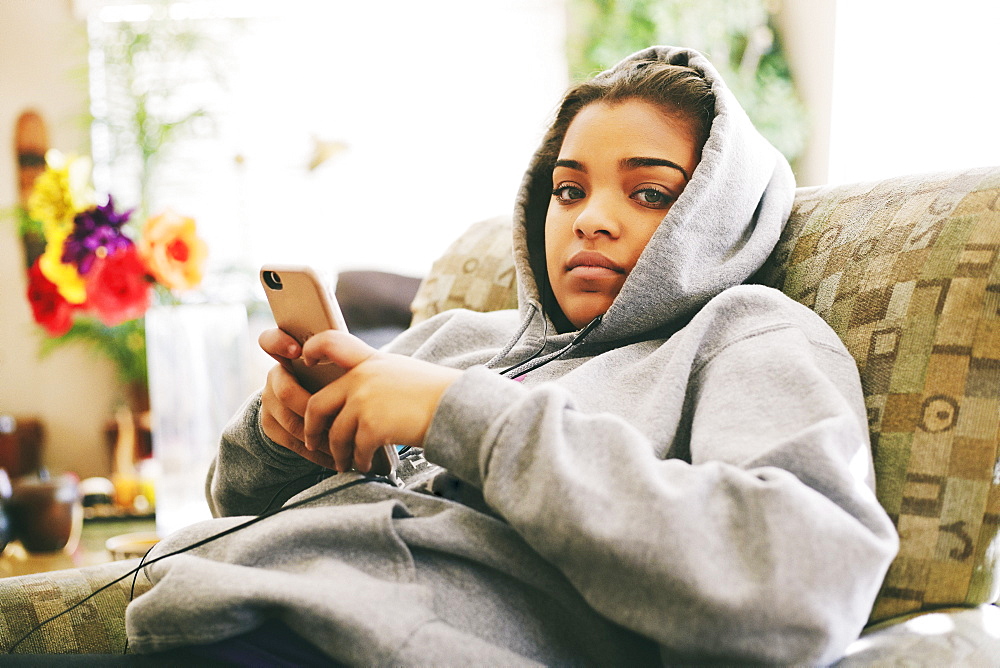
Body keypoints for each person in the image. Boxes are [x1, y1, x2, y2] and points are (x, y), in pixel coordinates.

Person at [126, 46, 899, 665]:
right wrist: (282, 435)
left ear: (719, 215)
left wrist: (464, 417)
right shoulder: (458, 338)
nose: (591, 219)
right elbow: (234, 505)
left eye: (650, 193)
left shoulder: (746, 334)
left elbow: (801, 584)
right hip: (200, 605)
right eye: (570, 190)